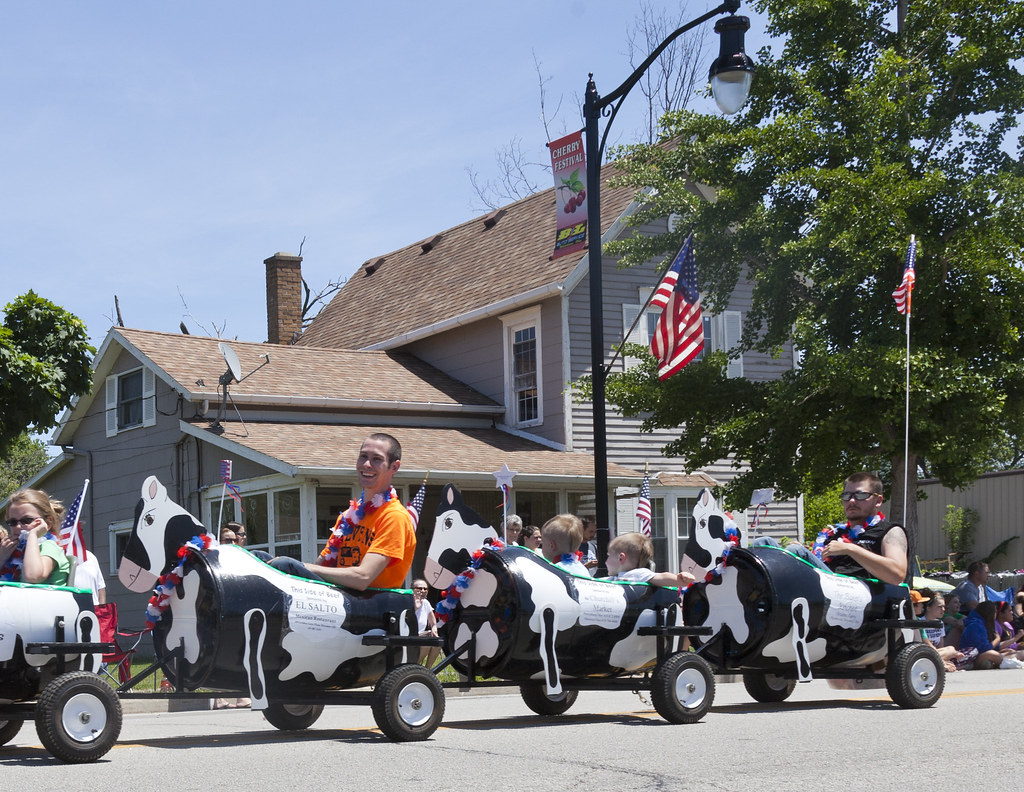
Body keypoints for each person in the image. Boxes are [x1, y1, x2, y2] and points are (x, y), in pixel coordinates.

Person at [261, 433, 416, 590]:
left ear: (394, 467)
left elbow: (363, 578)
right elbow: (321, 566)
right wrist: (296, 568)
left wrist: (295, 566)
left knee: (283, 564)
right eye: (363, 456)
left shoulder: (394, 516)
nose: (367, 464)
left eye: (377, 459)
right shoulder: (350, 515)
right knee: (259, 558)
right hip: (335, 600)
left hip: (370, 607)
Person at [0, 489, 71, 586]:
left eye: (27, 520)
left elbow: (32, 576)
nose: (18, 526)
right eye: (13, 522)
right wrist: (2, 557)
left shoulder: (49, 547)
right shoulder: (13, 552)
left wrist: (33, 535)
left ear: (48, 522)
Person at [602, 532, 695, 588]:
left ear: (621, 558)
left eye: (609, 556)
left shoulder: (638, 574)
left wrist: (680, 580)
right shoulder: (612, 578)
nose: (606, 561)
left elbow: (661, 577)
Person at [412, 578, 440, 666]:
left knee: (437, 643)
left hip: (421, 635)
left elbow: (433, 621)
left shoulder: (426, 603)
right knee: (426, 644)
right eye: (419, 588)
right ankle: (415, 667)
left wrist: (434, 628)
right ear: (412, 590)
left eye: (425, 589)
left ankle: (428, 670)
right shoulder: (407, 600)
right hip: (409, 635)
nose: (423, 591)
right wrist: (416, 605)